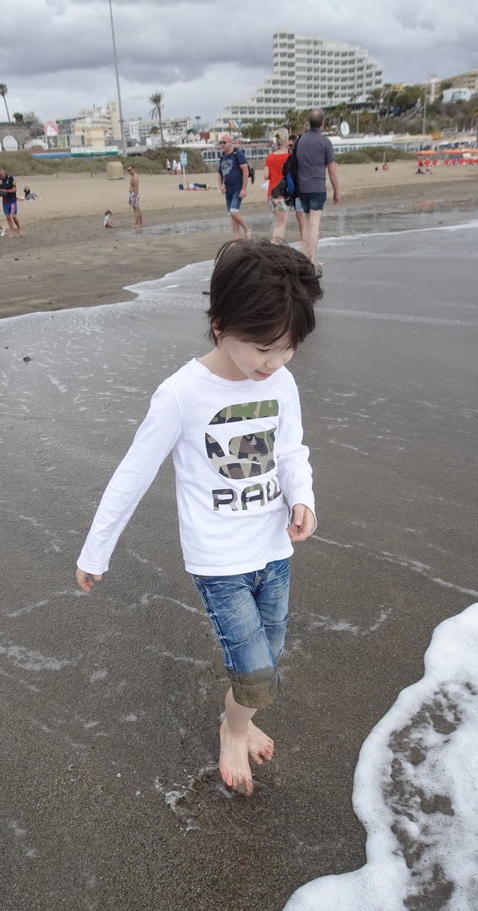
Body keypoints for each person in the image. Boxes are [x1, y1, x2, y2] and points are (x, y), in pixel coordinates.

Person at [75, 239, 324, 796]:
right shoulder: (181, 395)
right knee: (258, 675)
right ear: (219, 324)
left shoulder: (280, 382)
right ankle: (233, 732)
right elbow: (131, 475)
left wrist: (303, 498)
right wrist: (97, 551)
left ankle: (240, 718)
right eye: (262, 347)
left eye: (286, 349)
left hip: (275, 550)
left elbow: (290, 453)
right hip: (219, 562)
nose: (274, 363)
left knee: (268, 657)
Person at [294, 109, 340, 266]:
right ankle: (312, 258)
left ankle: (306, 255)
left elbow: (295, 164)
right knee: (314, 223)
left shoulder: (300, 141)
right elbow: (332, 171)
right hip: (317, 187)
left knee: (307, 222)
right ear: (322, 123)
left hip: (302, 187)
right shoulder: (325, 142)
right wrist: (336, 191)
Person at [217, 132, 251, 239]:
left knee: (234, 212)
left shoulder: (237, 154)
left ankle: (247, 229)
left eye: (224, 142)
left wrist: (244, 189)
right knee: (232, 216)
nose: (222, 144)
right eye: (221, 143)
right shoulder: (222, 157)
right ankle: (236, 239)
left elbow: (245, 170)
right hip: (228, 189)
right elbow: (219, 173)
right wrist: (221, 186)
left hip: (237, 188)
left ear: (230, 142)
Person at [264, 129, 291, 243]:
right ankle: (275, 245)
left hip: (270, 195)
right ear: (286, 142)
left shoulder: (270, 157)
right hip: (281, 194)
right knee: (282, 223)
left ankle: (274, 243)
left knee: (279, 221)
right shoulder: (287, 157)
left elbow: (266, 175)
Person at [0, 166, 22, 237]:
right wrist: (0, 191)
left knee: (13, 216)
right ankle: (12, 232)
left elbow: (15, 189)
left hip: (12, 200)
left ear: (4, 173)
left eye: (2, 175)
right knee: (7, 217)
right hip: (5, 201)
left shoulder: (10, 178)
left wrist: (6, 191)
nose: (1, 177)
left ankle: (19, 228)